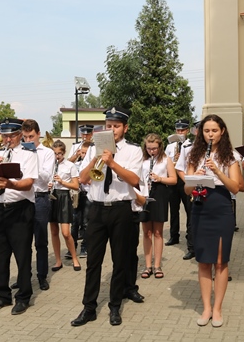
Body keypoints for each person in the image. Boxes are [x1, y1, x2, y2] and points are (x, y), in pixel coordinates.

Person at [70, 106, 143, 327]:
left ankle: (114, 306)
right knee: (93, 261)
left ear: (125, 128)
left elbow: (134, 180)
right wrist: (95, 159)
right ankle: (89, 307)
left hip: (121, 209)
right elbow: (83, 179)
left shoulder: (133, 150)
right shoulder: (93, 149)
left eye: (116, 126)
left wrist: (111, 162)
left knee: (120, 260)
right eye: (109, 125)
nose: (112, 129)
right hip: (97, 209)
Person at [183, 114, 241, 328]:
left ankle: (217, 308)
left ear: (222, 131)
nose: (210, 135)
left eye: (214, 131)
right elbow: (186, 189)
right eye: (206, 131)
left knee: (220, 260)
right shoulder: (194, 154)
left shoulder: (230, 155)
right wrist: (195, 178)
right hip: (200, 207)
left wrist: (217, 171)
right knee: (204, 260)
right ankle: (206, 308)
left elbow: (236, 187)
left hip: (221, 206)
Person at [0, 118, 38, 315]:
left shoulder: (28, 154)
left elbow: (29, 183)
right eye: (4, 136)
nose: (7, 140)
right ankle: (2, 295)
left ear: (20, 135)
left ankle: (23, 296)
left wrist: (10, 183)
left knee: (22, 254)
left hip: (20, 209)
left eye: (12, 136)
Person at [21, 119, 54, 291]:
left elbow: (46, 177)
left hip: (40, 197)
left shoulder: (47, 153)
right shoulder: (19, 151)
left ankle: (42, 276)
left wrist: (33, 158)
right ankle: (24, 277)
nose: (28, 140)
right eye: (25, 137)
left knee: (40, 241)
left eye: (31, 137)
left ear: (38, 134)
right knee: (22, 242)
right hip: (23, 198)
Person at [140, 133, 177, 279]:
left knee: (157, 232)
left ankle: (157, 265)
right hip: (144, 193)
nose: (152, 151)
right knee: (146, 232)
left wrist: (160, 178)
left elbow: (173, 180)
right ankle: (147, 265)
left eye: (154, 148)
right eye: (149, 148)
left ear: (160, 147)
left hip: (160, 193)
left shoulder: (165, 159)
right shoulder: (142, 159)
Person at [48, 140, 81, 271]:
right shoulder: (49, 165)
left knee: (66, 233)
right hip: (52, 196)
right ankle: (58, 261)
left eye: (59, 154)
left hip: (64, 196)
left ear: (64, 153)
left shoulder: (70, 165)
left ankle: (74, 258)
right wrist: (48, 185)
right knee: (54, 231)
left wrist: (62, 182)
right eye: (55, 154)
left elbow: (76, 186)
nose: (57, 156)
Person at [164, 119, 193, 250]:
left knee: (188, 208)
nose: (180, 132)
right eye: (178, 130)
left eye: (182, 130)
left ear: (187, 130)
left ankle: (189, 235)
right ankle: (174, 235)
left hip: (184, 178)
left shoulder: (190, 145)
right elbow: (165, 160)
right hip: (173, 179)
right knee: (173, 209)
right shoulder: (170, 146)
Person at [71, 140, 93, 258]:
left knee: (85, 222)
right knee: (75, 222)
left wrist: (85, 180)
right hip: (78, 194)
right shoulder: (77, 165)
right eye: (82, 153)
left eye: (86, 153)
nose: (83, 155)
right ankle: (72, 247)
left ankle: (85, 246)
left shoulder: (92, 166)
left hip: (88, 194)